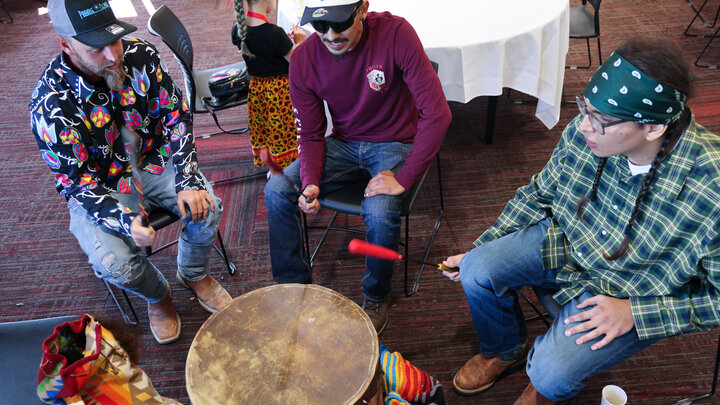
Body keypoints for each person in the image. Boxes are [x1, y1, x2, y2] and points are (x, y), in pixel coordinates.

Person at [442, 37, 720, 404]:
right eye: (584, 108)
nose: (584, 126)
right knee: (478, 268)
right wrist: (484, 245)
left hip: (627, 291)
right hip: (567, 242)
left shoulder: (711, 187)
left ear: (652, 128)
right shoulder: (587, 130)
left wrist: (637, 313)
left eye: (600, 120)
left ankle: (540, 384)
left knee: (550, 373)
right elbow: (540, 193)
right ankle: (504, 349)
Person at [29, 0, 232, 345]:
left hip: (153, 157)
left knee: (206, 208)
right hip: (101, 185)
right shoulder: (50, 105)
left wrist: (187, 178)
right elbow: (76, 182)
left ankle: (193, 274)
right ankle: (158, 296)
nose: (113, 56)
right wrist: (124, 222)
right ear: (65, 44)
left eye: (116, 40)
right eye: (96, 49)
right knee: (113, 262)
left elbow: (176, 116)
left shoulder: (140, 54)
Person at [264, 0, 451, 334]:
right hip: (344, 144)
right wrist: (309, 182)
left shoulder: (396, 33)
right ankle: (293, 286)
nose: (331, 35)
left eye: (340, 24)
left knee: (379, 214)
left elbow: (437, 114)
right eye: (321, 27)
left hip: (395, 144)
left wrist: (404, 179)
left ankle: (376, 296)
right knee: (277, 190)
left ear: (363, 8)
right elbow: (310, 133)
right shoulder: (304, 59)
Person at [231, 0, 306, 170]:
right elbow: (298, 65)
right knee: (282, 131)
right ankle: (285, 174)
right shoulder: (275, 33)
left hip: (257, 90)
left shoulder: (238, 28)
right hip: (279, 93)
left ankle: (272, 166)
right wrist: (300, 42)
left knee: (266, 128)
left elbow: (261, 47)